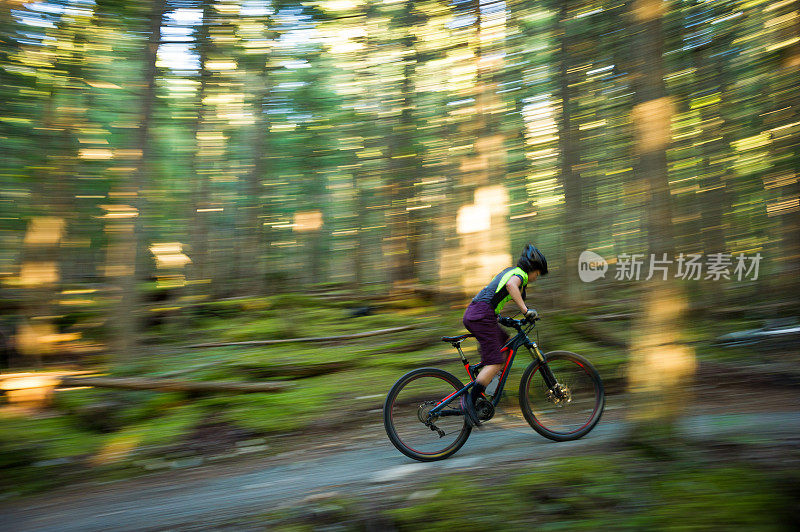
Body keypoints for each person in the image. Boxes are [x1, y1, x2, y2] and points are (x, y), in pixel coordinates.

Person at [460, 243, 548, 426]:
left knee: (506, 345)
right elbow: (510, 286)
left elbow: (493, 295)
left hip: (483, 315)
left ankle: (486, 391)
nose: (536, 278)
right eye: (537, 273)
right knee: (496, 362)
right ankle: (470, 401)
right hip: (481, 316)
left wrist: (504, 319)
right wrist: (525, 311)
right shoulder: (519, 275)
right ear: (531, 268)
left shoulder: (511, 271)